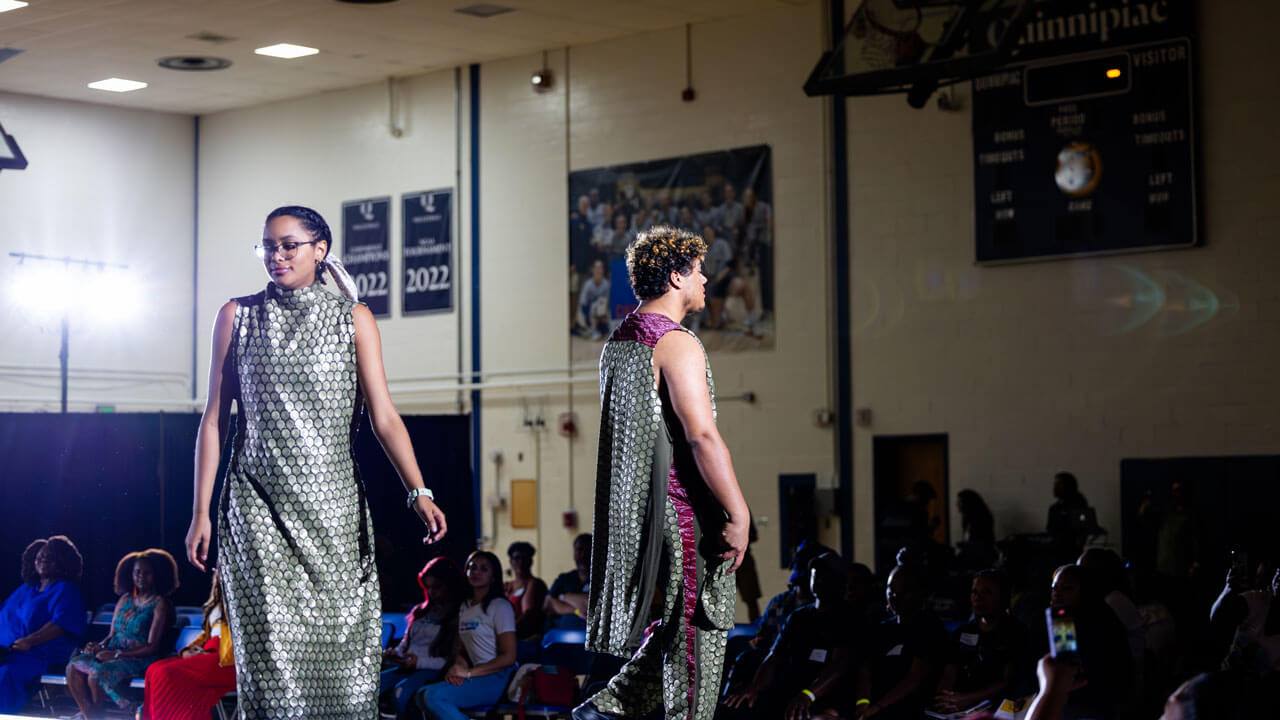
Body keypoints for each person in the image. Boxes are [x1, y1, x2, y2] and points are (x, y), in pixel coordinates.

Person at [184, 205, 447, 718]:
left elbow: (385, 416)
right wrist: (201, 512)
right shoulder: (237, 316)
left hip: (333, 516)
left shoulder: (355, 319)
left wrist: (419, 491)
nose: (276, 256)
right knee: (271, 666)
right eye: (268, 246)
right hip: (255, 506)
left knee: (343, 671)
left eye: (289, 245)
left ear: (319, 250)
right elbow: (214, 419)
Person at [575, 225, 750, 720]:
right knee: (700, 638)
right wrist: (738, 513)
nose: (706, 280)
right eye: (698, 271)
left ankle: (605, 710)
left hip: (644, 517)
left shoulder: (619, 341)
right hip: (686, 514)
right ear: (676, 276)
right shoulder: (675, 342)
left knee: (675, 628)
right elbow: (701, 437)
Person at [722, 552, 864, 720]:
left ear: (839, 582)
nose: (818, 581)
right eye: (815, 575)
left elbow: (840, 666)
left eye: (825, 576)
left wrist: (808, 695)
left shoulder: (849, 618)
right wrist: (755, 688)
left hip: (822, 697)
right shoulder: (798, 617)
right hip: (787, 691)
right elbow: (774, 657)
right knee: (733, 708)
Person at [67, 549, 178, 718]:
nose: (141, 576)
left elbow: (152, 647)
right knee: (73, 666)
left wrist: (116, 654)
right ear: (130, 574)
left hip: (139, 659)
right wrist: (99, 646)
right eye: (137, 572)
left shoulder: (160, 604)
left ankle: (91, 716)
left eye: (147, 573)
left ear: (157, 575)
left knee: (96, 674)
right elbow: (112, 635)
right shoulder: (125, 599)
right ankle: (90, 714)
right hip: (112, 654)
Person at [417, 551, 517, 720]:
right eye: (472, 567)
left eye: (484, 569)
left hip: (497, 677)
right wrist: (458, 668)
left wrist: (469, 673)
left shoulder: (500, 606)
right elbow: (462, 650)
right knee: (421, 695)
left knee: (434, 697)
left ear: (493, 577)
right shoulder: (465, 606)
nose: (476, 572)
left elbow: (509, 657)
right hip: (476, 674)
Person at [0, 536, 85, 714]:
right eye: (39, 557)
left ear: (62, 561)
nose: (42, 560)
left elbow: (60, 624)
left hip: (37, 653)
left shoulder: (65, 589)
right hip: (7, 650)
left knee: (5, 674)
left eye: (49, 557)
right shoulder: (26, 588)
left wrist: (29, 641)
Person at [140, 568, 235, 720]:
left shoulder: (244, 602)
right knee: (154, 670)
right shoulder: (218, 601)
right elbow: (206, 634)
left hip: (229, 659)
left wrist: (207, 654)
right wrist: (187, 650)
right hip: (209, 652)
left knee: (166, 674)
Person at [855, 565, 948, 720]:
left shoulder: (929, 627)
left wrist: (878, 708)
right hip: (874, 708)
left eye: (905, 589)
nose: (895, 595)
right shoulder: (882, 628)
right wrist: (862, 703)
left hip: (909, 709)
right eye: (890, 589)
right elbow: (865, 669)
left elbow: (915, 677)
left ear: (920, 592)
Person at [932, 569, 1028, 715]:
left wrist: (966, 699)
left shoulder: (1016, 632)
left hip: (996, 707)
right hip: (958, 706)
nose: (978, 598)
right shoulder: (962, 632)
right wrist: (943, 701)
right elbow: (949, 672)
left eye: (987, 593)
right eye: (974, 592)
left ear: (1003, 597)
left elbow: (1008, 680)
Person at [382, 557, 467, 720]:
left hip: (432, 670)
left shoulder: (460, 613)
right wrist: (394, 654)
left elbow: (451, 659)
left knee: (401, 693)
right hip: (407, 667)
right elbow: (405, 645)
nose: (431, 592)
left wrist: (418, 662)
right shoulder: (421, 611)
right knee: (373, 687)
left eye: (437, 587)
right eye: (428, 587)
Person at [1046, 564, 1132, 719]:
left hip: (1094, 703)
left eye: (1067, 588)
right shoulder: (1060, 621)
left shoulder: (1102, 623)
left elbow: (1104, 679)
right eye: (1054, 588)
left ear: (1086, 591)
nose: (1057, 594)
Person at [1210, 560, 1280, 673]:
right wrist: (1228, 589)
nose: (1279, 578)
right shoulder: (1256, 600)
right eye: (1278, 572)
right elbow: (1217, 618)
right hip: (1225, 678)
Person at [545, 533, 592, 632]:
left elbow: (590, 604)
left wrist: (563, 597)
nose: (583, 555)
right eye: (579, 550)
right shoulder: (564, 579)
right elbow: (548, 604)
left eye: (588, 550)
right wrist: (575, 610)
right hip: (559, 636)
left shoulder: (603, 580)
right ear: (574, 553)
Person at [504, 542, 547, 641]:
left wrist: (505, 634)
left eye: (525, 558)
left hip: (525, 637)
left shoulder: (535, 583)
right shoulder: (506, 586)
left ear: (531, 561)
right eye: (517, 558)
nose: (521, 562)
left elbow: (528, 616)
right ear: (511, 562)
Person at [956, 489, 997, 572]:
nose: (957, 505)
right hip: (971, 557)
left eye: (960, 502)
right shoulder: (966, 519)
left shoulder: (982, 519)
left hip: (981, 558)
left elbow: (983, 543)